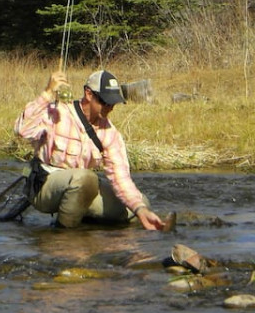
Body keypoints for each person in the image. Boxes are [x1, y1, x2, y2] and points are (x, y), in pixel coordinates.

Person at [14, 68, 170, 230]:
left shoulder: (110, 134)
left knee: (138, 206)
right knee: (86, 178)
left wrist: (140, 209)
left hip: (80, 189)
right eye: (105, 102)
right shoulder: (58, 112)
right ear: (89, 94)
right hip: (44, 187)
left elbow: (120, 178)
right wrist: (47, 93)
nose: (110, 107)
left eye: (113, 103)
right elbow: (22, 130)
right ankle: (62, 235)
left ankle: (84, 221)